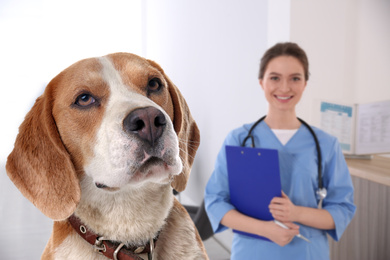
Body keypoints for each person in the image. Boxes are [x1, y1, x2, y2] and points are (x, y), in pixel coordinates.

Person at [204, 42, 356, 260]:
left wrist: (296, 213)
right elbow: (215, 202)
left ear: (305, 84)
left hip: (307, 252)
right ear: (261, 82)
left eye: (295, 78)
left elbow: (342, 210)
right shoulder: (239, 139)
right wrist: (264, 229)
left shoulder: (326, 144)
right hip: (252, 252)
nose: (285, 88)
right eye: (275, 78)